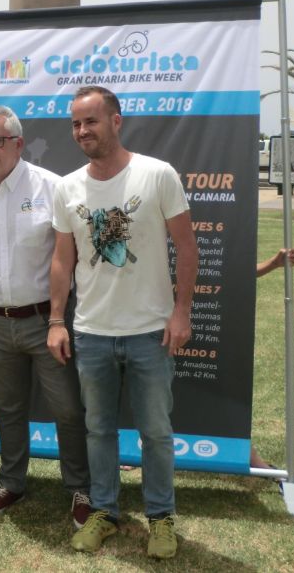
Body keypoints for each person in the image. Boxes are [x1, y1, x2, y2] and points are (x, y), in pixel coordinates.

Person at [47, 86, 198, 559]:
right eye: (75, 123)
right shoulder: (67, 186)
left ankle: (161, 518)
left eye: (90, 121)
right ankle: (105, 512)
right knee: (99, 431)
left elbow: (187, 248)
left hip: (150, 332)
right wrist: (56, 318)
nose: (81, 131)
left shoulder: (157, 175)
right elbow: (61, 258)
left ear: (116, 121)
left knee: (156, 432)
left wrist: (181, 312)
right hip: (91, 332)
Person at [0, 105, 90, 524]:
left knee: (67, 409)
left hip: (46, 322)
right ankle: (11, 483)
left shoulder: (53, 187)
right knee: (8, 408)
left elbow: (69, 257)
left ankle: (82, 490)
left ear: (18, 142)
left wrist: (54, 318)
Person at [250, 248, 294, 470]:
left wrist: (273, 263)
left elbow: (225, 269)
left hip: (208, 321)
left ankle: (247, 455)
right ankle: (131, 450)